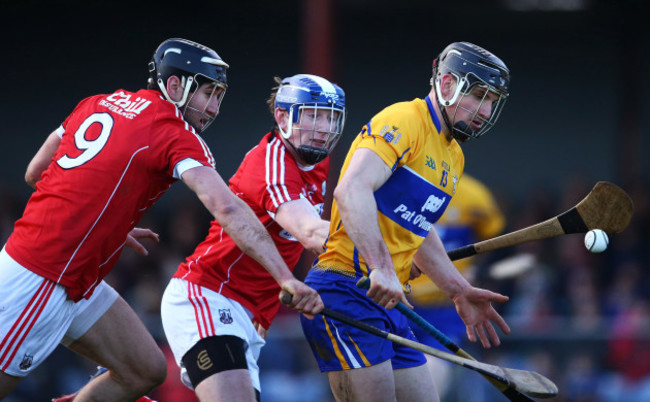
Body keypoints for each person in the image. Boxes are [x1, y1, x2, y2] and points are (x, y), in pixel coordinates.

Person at [0, 37, 322, 401]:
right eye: (207, 93)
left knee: (144, 370)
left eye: (219, 96)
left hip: (76, 279)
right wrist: (284, 277)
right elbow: (228, 208)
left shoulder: (96, 103)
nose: (214, 108)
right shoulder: (175, 133)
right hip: (41, 277)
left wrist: (102, 220)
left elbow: (36, 171)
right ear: (173, 86)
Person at [299, 41, 512, 402]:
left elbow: (417, 229)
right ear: (446, 84)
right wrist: (382, 267)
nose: (486, 109)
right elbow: (350, 190)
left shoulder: (453, 155)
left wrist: (457, 289)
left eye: (493, 100)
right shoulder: (403, 120)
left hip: (391, 302)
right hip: (347, 289)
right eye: (479, 95)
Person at [160, 73, 346, 402]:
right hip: (208, 296)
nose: (323, 128)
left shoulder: (318, 164)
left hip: (248, 315)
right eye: (314, 114)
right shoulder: (273, 162)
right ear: (283, 117)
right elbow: (310, 232)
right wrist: (385, 252)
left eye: (331, 117)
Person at [407, 173, 506, 398]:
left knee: (433, 374)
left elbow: (497, 242)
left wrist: (477, 272)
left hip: (447, 308)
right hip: (400, 302)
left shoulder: (475, 196)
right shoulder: (403, 187)